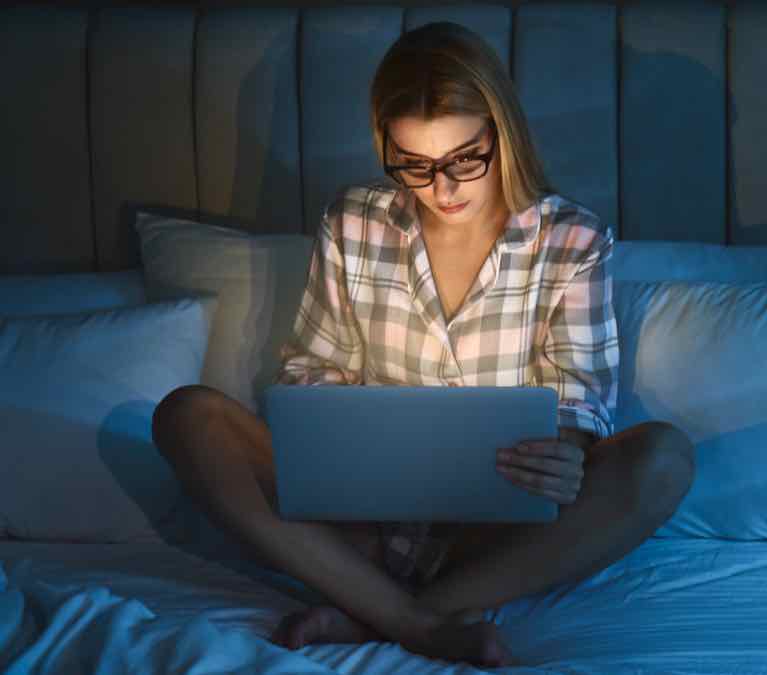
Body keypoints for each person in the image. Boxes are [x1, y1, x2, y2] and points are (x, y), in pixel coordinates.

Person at [150, 21, 695, 669]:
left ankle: (380, 610)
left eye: (466, 158)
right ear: (386, 146)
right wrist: (347, 437)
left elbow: (580, 402)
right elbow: (311, 368)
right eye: (415, 165)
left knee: (664, 458)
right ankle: (417, 620)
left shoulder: (570, 241)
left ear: (502, 132)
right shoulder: (352, 221)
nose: (444, 188)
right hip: (358, 521)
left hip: (496, 529)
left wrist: (567, 454)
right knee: (186, 415)